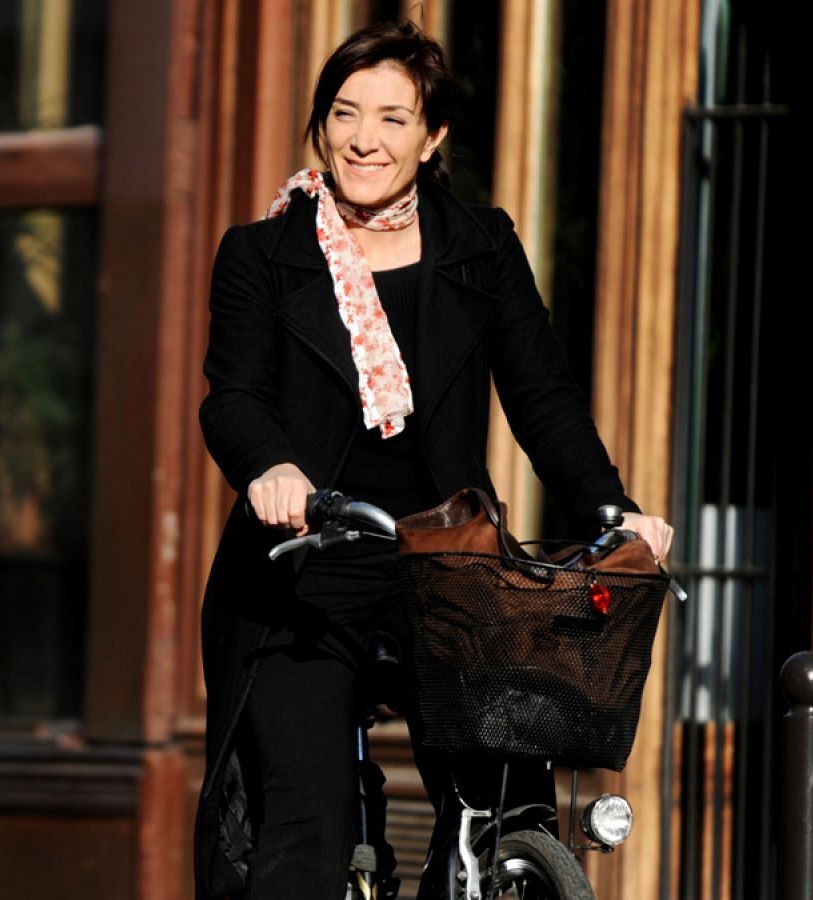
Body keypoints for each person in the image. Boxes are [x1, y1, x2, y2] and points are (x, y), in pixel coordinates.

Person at [191, 20, 674, 900]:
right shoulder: (262, 255)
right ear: (320, 123)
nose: (363, 139)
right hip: (308, 572)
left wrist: (612, 511)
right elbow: (235, 396)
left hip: (449, 568)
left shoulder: (481, 247)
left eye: (392, 118)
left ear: (431, 135)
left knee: (509, 803)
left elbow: (543, 399)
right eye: (344, 113)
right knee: (307, 819)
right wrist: (271, 467)